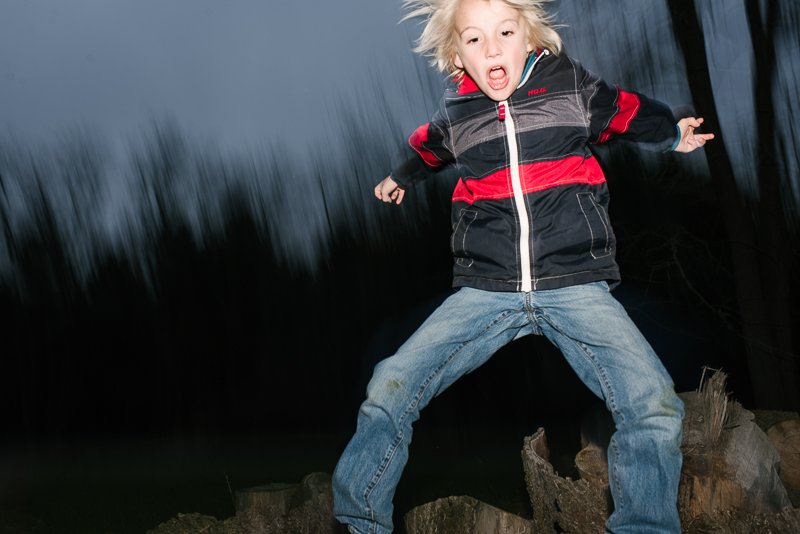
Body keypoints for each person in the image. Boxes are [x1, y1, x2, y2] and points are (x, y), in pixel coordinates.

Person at [332, 1, 715, 533]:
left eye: (504, 32)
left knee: (651, 402)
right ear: (456, 55)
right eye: (473, 39)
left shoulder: (570, 87)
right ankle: (359, 520)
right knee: (390, 385)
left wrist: (673, 132)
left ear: (529, 37)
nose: (491, 48)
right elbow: (427, 148)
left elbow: (624, 110)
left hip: (575, 283)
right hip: (486, 289)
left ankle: (644, 525)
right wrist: (400, 177)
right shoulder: (457, 113)